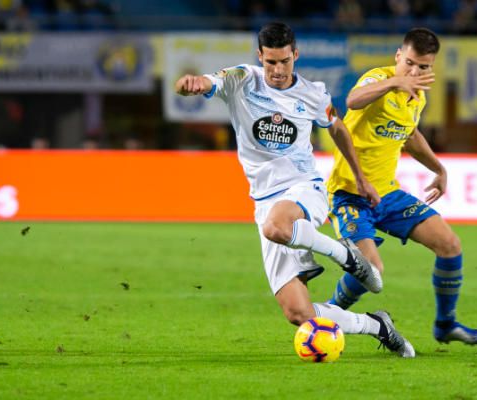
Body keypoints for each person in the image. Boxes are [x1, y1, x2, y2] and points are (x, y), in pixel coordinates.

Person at [174, 22, 414, 358]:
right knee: (298, 314)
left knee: (277, 226)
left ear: (295, 55)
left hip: (305, 189)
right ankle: (378, 325)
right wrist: (194, 85)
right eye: (270, 62)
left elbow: (338, 127)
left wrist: (360, 178)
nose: (276, 69)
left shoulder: (313, 93)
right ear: (260, 56)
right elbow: (208, 82)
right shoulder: (243, 79)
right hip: (264, 200)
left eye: (284, 61)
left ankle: (344, 255)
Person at [326, 27, 477, 345]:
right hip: (349, 193)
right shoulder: (378, 79)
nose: (414, 72)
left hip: (386, 193)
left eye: (423, 67)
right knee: (371, 269)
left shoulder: (417, 97)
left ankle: (446, 324)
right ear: (398, 56)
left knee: (449, 245)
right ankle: (328, 316)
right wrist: (394, 81)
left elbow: (411, 136)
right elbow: (352, 101)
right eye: (410, 63)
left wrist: (438, 168)